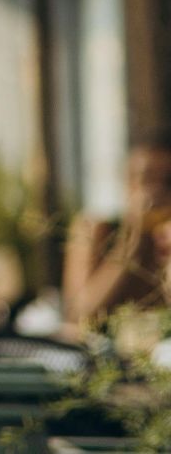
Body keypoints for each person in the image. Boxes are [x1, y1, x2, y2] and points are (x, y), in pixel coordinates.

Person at [64, 125, 171, 337]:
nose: (155, 191)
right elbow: (79, 315)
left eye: (167, 182)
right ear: (127, 183)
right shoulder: (96, 230)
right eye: (146, 179)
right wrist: (130, 245)